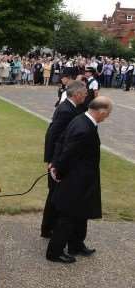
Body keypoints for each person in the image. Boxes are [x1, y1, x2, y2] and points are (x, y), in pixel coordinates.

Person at [47, 96, 112, 263]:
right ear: (102, 111)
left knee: (81, 214)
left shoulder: (81, 120)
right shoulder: (84, 128)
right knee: (68, 216)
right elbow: (67, 152)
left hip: (83, 179)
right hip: (76, 179)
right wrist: (58, 170)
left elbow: (62, 142)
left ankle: (76, 244)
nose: (108, 117)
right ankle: (54, 252)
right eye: (108, 113)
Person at [41, 80, 87, 238]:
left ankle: (49, 227)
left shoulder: (71, 108)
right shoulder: (66, 110)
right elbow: (52, 134)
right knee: (55, 195)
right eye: (84, 93)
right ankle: (48, 228)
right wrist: (50, 160)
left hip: (60, 157)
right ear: (77, 94)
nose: (86, 96)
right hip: (58, 159)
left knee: (55, 194)